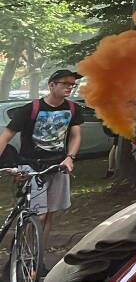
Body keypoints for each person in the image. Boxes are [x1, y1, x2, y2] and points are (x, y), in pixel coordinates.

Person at [0, 69, 83, 252]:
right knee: (40, 215)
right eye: (65, 84)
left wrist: (70, 157)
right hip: (31, 167)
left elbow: (75, 136)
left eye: (72, 85)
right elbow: (5, 137)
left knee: (49, 215)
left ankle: (37, 258)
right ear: (52, 85)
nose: (70, 87)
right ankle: (25, 255)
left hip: (58, 166)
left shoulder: (73, 108)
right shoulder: (31, 108)